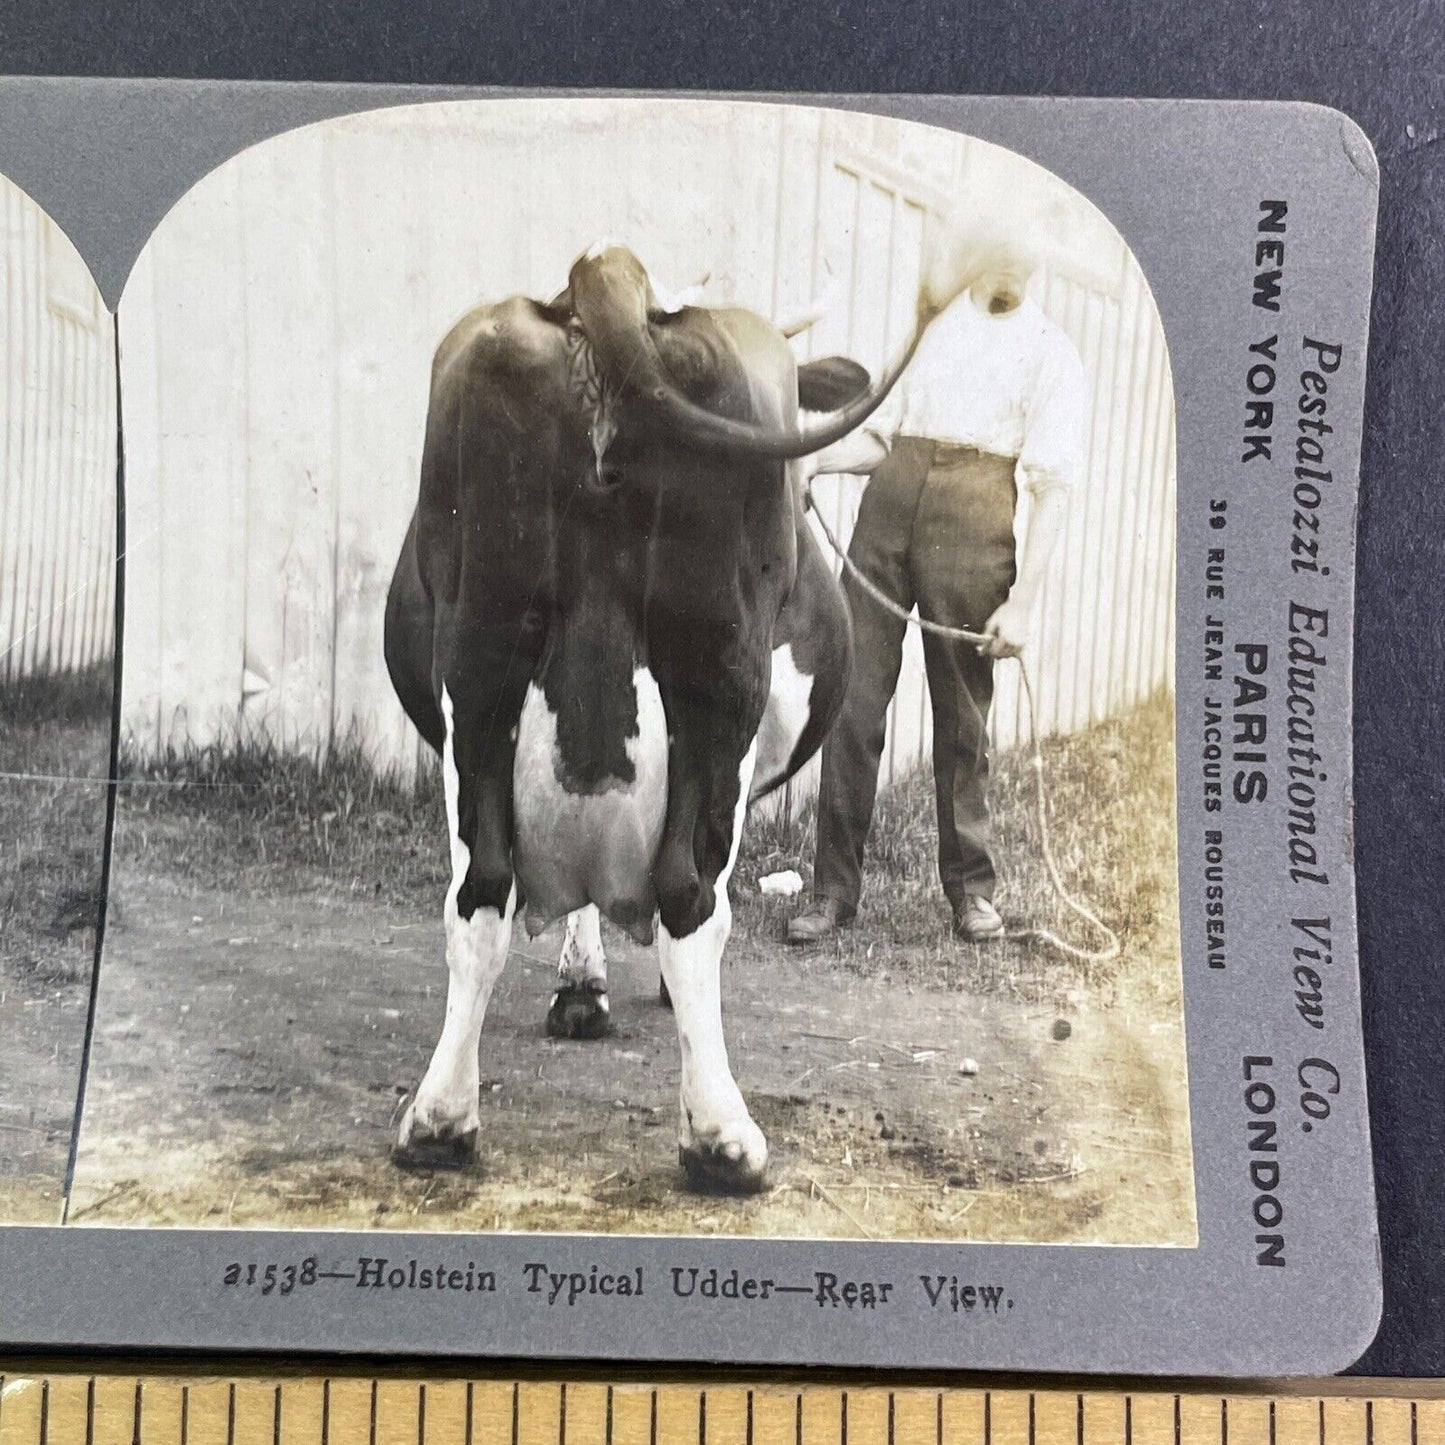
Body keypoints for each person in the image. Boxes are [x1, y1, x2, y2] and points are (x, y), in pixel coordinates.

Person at [788, 212, 1087, 944]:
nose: (1009, 275)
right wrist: (813, 460)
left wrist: (1022, 602)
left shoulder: (1053, 354)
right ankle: (832, 890)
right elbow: (878, 434)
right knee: (849, 698)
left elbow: (1053, 489)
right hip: (890, 501)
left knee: (963, 717)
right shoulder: (934, 330)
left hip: (977, 511)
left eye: (1023, 263)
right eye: (998, 258)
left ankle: (970, 891)